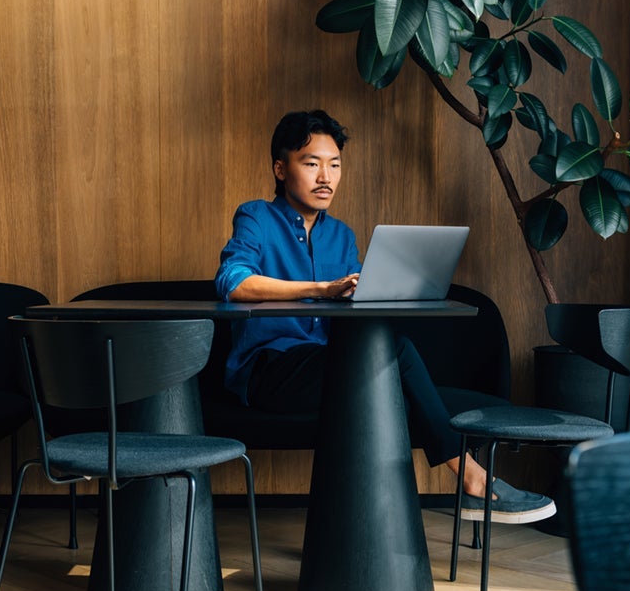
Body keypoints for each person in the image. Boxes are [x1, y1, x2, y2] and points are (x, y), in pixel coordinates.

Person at [215, 109, 555, 523]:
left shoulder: (340, 235)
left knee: (390, 364)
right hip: (270, 371)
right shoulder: (256, 217)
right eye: (312, 163)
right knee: (396, 354)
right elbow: (234, 282)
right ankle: (474, 481)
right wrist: (321, 290)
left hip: (329, 367)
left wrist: (382, 292)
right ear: (280, 168)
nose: (326, 177)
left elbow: (352, 309)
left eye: (335, 165)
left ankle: (401, 516)